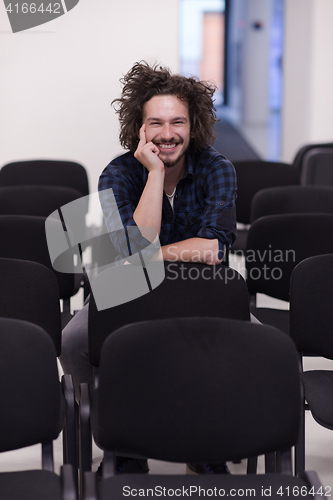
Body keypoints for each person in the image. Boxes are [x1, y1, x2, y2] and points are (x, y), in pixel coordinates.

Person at [60, 61, 237, 476]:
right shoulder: (117, 174)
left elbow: (212, 249)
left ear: (194, 125)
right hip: (127, 293)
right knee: (73, 341)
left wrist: (145, 256)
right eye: (155, 123)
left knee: (261, 344)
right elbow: (132, 246)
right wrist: (155, 173)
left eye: (178, 122)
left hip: (201, 291)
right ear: (139, 129)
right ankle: (121, 441)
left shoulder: (218, 169)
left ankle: (209, 444)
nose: (168, 134)